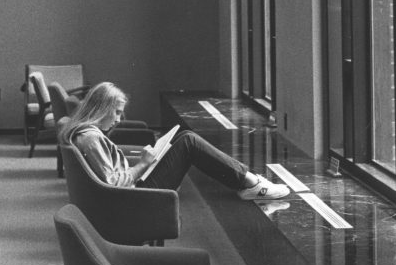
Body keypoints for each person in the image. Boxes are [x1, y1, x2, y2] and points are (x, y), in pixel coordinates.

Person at [58, 81, 290, 200]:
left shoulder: (87, 134)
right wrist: (143, 164)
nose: (118, 120)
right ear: (101, 109)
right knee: (188, 141)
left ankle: (247, 180)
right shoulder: (90, 138)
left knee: (185, 140)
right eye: (116, 112)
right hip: (133, 197)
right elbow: (112, 183)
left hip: (130, 191)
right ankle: (251, 183)